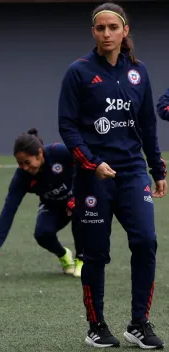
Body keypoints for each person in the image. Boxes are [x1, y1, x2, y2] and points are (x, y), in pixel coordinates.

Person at [58, 2, 166, 349]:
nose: (107, 33)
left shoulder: (139, 73)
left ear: (124, 31)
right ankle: (96, 325)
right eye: (100, 28)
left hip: (133, 171)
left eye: (113, 28)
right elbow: (68, 126)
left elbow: (148, 124)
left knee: (146, 242)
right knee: (96, 254)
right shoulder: (78, 72)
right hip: (94, 176)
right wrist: (91, 163)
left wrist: (157, 169)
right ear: (93, 32)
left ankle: (139, 323)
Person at [0, 129, 84, 277]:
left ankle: (81, 258)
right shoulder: (21, 178)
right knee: (42, 234)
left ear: (40, 154)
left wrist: (78, 195)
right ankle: (64, 255)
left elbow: (86, 164)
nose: (25, 167)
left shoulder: (58, 152)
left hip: (76, 197)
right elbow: (8, 211)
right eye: (20, 163)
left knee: (80, 212)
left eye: (27, 162)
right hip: (52, 205)